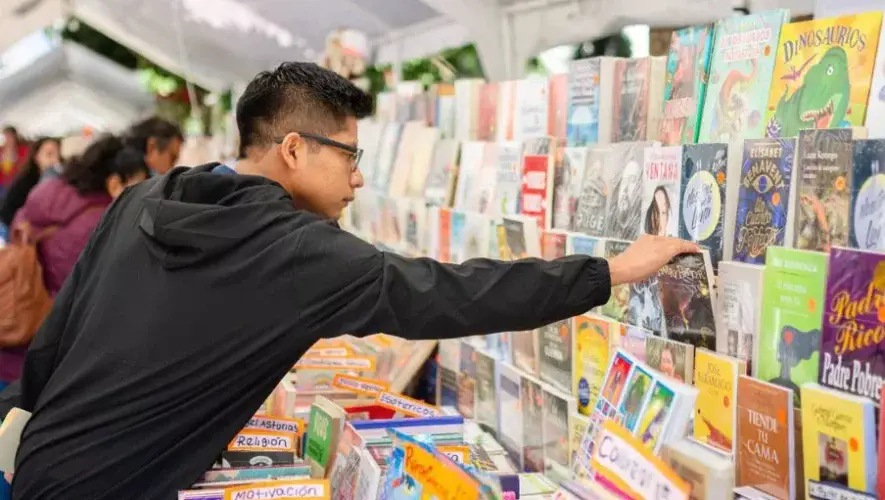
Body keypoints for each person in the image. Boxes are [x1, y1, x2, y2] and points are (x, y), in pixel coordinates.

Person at [1, 62, 697, 500]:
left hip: (39, 459)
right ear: (294, 149)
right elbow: (452, 293)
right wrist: (608, 272)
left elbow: (54, 342)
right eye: (350, 155)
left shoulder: (142, 200)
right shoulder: (299, 254)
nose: (359, 177)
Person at [0, 135, 150, 390]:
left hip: (13, 327)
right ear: (115, 182)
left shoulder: (45, 192)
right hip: (49, 349)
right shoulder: (101, 220)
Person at [0, 137, 62, 229]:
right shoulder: (25, 182)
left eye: (57, 155)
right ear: (36, 156)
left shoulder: (59, 182)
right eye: (49, 154)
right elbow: (7, 212)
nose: (54, 160)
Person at [0, 127, 29, 193]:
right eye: (5, 136)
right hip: (2, 184)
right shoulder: (1, 150)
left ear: (15, 136)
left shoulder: (23, 150)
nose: (8, 139)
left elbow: (24, 167)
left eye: (10, 136)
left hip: (16, 183)